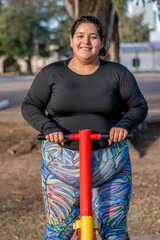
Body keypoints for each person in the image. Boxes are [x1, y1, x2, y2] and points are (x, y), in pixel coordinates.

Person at [21, 15, 148, 240]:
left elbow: (138, 105)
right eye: (80, 36)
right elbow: (30, 105)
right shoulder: (51, 73)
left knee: (115, 231)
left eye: (93, 37)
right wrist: (47, 127)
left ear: (101, 42)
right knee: (58, 232)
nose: (86, 42)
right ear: (71, 40)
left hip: (111, 167)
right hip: (62, 169)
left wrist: (124, 125)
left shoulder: (118, 73)